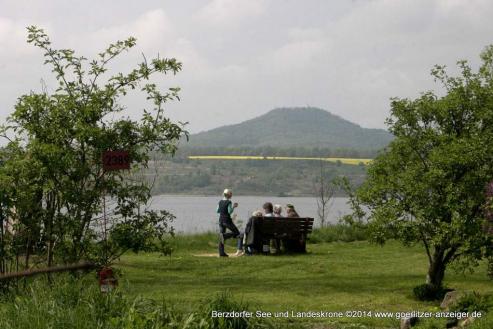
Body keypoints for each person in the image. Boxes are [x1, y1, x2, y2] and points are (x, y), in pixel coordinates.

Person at [217, 189, 240, 257]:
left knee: (221, 236)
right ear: (228, 195)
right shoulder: (229, 202)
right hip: (227, 220)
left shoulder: (220, 201)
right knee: (236, 233)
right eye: (231, 194)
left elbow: (217, 211)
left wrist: (223, 210)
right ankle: (225, 236)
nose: (231, 195)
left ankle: (221, 253)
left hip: (220, 220)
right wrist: (234, 207)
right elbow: (229, 211)